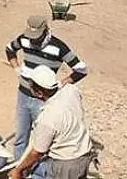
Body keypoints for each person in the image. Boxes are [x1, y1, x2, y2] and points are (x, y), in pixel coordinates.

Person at [6, 15, 88, 179]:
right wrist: (16, 69)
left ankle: (36, 173)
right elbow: (9, 49)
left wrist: (61, 83)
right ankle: (19, 170)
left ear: (45, 31)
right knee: (21, 137)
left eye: (36, 37)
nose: (33, 41)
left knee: (41, 142)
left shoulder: (58, 47)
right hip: (23, 94)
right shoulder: (24, 39)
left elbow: (81, 69)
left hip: (42, 98)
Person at [9, 65, 94, 179]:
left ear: (39, 93)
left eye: (31, 86)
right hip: (84, 154)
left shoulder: (47, 118)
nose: (29, 88)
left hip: (65, 164)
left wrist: (18, 170)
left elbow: (37, 153)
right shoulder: (70, 90)